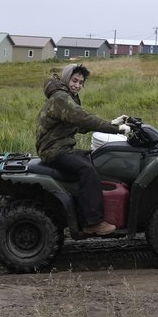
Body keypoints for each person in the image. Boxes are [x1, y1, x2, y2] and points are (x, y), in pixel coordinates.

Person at [35, 63, 132, 236]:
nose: (77, 85)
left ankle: (84, 212)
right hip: (54, 150)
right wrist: (116, 129)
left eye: (81, 82)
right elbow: (84, 119)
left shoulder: (66, 96)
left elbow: (78, 125)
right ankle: (93, 223)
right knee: (87, 170)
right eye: (74, 80)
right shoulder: (61, 98)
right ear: (66, 79)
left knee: (96, 158)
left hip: (61, 147)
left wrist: (111, 123)